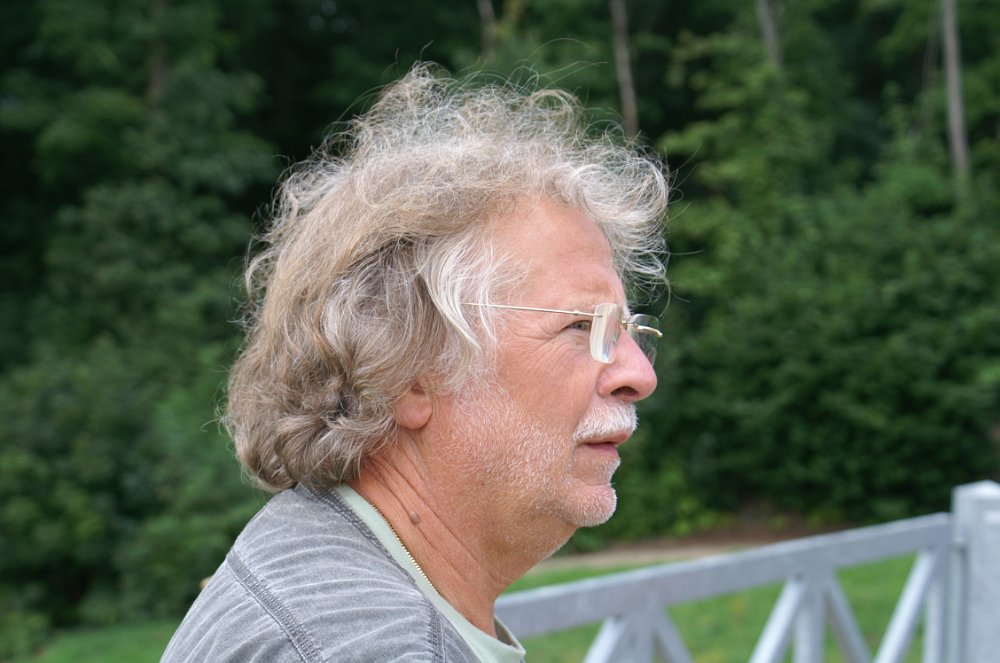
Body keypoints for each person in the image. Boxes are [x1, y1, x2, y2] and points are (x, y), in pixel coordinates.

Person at [161, 63, 669, 663]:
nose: (639, 375)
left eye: (627, 330)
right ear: (408, 373)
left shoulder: (324, 564)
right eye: (581, 326)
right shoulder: (372, 647)